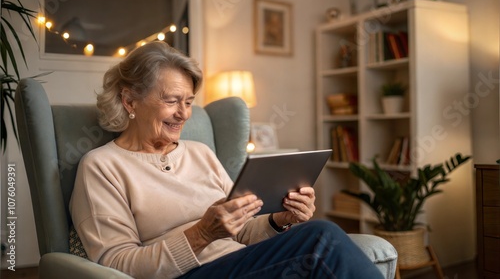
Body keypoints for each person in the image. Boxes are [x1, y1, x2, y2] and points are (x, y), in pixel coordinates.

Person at [69, 41, 384, 279]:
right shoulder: (101, 166)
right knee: (322, 238)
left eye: (189, 102)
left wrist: (280, 220)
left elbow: (243, 230)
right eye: (171, 101)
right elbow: (116, 265)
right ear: (129, 100)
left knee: (314, 235)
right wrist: (202, 235)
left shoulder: (200, 153)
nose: (183, 114)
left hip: (240, 265)